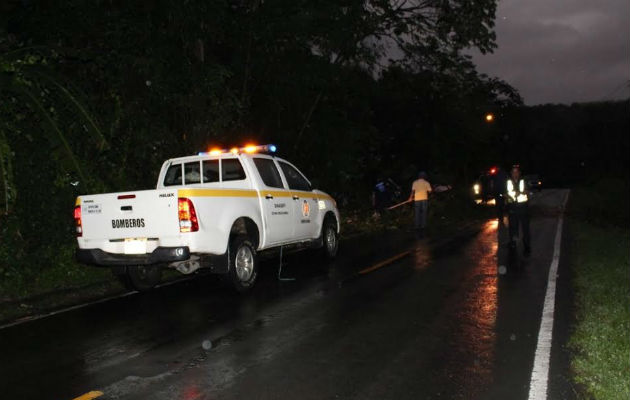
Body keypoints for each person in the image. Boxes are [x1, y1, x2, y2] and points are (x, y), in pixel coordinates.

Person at [506, 165, 531, 256]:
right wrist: (510, 196)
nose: (515, 174)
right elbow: (505, 193)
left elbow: (528, 191)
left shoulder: (524, 181)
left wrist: (524, 192)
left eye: (517, 172)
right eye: (513, 172)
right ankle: (513, 244)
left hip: (523, 208)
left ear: (519, 173)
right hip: (512, 208)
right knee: (513, 228)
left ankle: (527, 246)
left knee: (525, 228)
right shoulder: (508, 182)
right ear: (511, 173)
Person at [409, 171, 432, 236]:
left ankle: (417, 226)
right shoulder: (426, 183)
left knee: (417, 213)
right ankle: (423, 226)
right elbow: (430, 191)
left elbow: (412, 191)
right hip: (424, 199)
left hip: (417, 199)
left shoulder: (415, 182)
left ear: (419, 176)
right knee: (424, 213)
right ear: (424, 176)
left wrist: (410, 198)